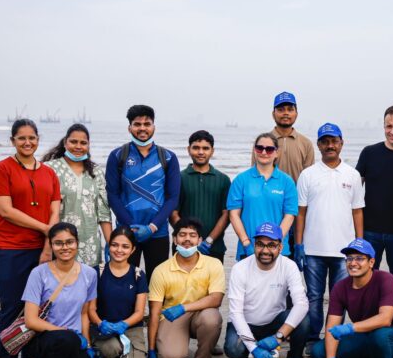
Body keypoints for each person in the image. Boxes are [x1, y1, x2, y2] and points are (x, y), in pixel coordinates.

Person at [0, 119, 61, 358]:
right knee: (11, 306)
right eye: (22, 138)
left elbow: (55, 211)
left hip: (41, 248)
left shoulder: (49, 173)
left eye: (32, 138)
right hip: (9, 247)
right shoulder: (3, 168)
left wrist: (48, 245)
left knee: (38, 307)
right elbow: (6, 210)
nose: (27, 142)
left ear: (38, 140)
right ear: (13, 141)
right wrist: (44, 228)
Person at [295, 123, 364, 352]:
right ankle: (312, 338)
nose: (330, 146)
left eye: (334, 141)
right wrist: (299, 244)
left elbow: (357, 211)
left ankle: (332, 338)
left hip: (344, 252)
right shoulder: (308, 174)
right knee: (314, 296)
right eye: (325, 142)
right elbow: (301, 212)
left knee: (339, 298)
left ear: (342, 143)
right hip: (313, 250)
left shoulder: (353, 175)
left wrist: (359, 245)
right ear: (319, 145)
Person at [224, 222, 318, 358]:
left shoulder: (289, 266)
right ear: (254, 245)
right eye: (260, 244)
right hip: (246, 323)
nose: (265, 250)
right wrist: (254, 349)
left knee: (303, 319)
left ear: (280, 247)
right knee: (233, 348)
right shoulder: (240, 268)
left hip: (275, 323)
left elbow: (301, 304)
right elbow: (235, 313)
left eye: (272, 245)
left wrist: (279, 337)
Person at [21, 222, 99, 358]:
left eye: (70, 242)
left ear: (77, 243)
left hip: (74, 341)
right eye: (58, 243)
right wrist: (64, 332)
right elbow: (31, 320)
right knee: (66, 339)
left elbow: (84, 313)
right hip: (44, 339)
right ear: (51, 245)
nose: (65, 247)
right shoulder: (39, 274)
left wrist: (87, 344)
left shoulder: (89, 274)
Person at [105, 104, 181, 277]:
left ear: (154, 127)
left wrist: (153, 226)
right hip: (126, 232)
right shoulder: (117, 155)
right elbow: (113, 195)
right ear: (129, 128)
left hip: (158, 232)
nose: (142, 128)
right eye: (137, 124)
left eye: (147, 124)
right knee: (125, 281)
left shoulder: (168, 157)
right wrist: (129, 226)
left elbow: (173, 197)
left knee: (157, 282)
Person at [355, 105, 393, 311]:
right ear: (383, 126)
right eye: (388, 126)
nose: (392, 131)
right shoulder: (369, 153)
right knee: (366, 279)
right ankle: (367, 321)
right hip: (370, 230)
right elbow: (355, 191)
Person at [146, 218, 225, 358]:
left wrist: (183, 308)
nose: (187, 239)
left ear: (200, 240)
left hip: (201, 314)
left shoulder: (214, 264)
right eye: (182, 235)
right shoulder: (161, 270)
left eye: (192, 235)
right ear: (175, 239)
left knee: (212, 318)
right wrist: (151, 348)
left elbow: (216, 299)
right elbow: (154, 313)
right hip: (172, 317)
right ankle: (177, 347)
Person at [42, 123, 112, 267]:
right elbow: (44, 211)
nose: (78, 146)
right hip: (60, 244)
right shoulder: (49, 169)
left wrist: (111, 245)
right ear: (65, 142)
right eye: (73, 142)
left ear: (88, 145)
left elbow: (104, 213)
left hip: (90, 245)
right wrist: (46, 248)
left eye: (83, 143)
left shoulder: (96, 172)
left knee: (89, 280)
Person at [88, 227, 148, 358]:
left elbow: (139, 312)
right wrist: (100, 323)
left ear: (133, 250)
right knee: (111, 348)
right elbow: (91, 309)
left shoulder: (138, 275)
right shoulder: (97, 272)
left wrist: (123, 324)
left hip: (130, 329)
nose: (119, 250)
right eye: (115, 245)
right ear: (109, 246)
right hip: (103, 329)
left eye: (125, 246)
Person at [228, 133, 298, 260]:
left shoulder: (287, 181)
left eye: (269, 149)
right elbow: (234, 214)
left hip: (278, 251)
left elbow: (289, 216)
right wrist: (246, 243)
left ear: (277, 153)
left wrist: (275, 243)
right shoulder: (241, 180)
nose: (264, 152)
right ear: (254, 150)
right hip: (247, 250)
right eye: (259, 148)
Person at [171, 130, 231, 261]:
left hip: (214, 247)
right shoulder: (178, 178)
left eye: (205, 148)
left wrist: (209, 240)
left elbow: (226, 214)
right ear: (188, 149)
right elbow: (173, 213)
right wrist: (188, 238)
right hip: (183, 247)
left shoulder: (223, 180)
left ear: (212, 151)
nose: (200, 152)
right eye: (196, 148)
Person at [251, 91, 314, 182]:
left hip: (296, 191)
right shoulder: (262, 143)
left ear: (296, 114)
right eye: (281, 110)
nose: (286, 113)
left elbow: (310, 179)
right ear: (273, 114)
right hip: (267, 191)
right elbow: (254, 175)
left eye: (290, 109)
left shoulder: (306, 144)